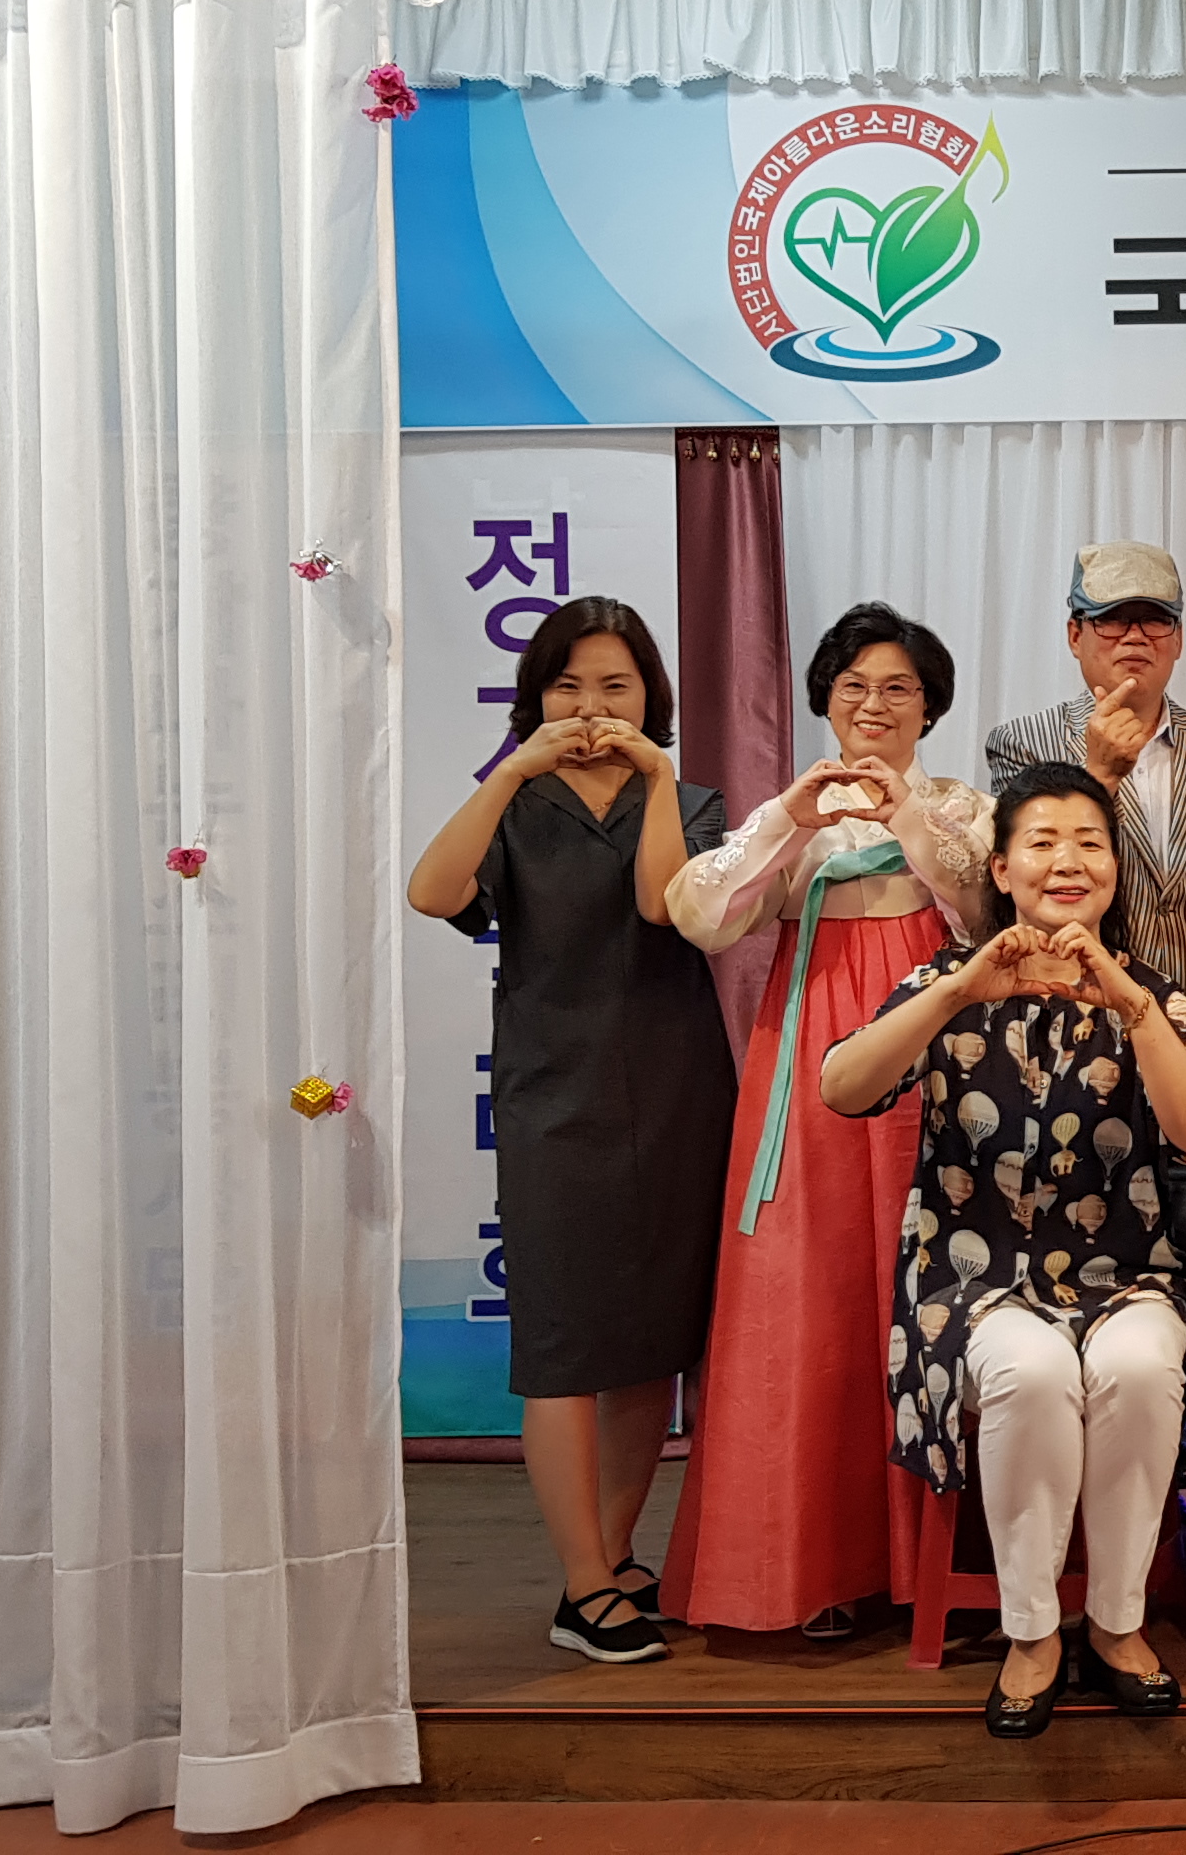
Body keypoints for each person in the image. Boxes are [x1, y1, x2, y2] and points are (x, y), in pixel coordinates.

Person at [821, 762, 1186, 1740]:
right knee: (1032, 1371)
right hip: (972, 1278)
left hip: (1124, 1272)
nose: (1068, 861)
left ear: (1115, 871)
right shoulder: (947, 983)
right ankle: (1034, 1631)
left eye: (1089, 842)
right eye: (1042, 842)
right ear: (1002, 869)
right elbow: (843, 1087)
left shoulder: (1150, 993)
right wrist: (959, 991)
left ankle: (1119, 1623)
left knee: (1140, 1367)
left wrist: (1130, 1007)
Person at [405, 598, 735, 1665]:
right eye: (569, 685)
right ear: (536, 696)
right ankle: (582, 1583)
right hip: (554, 1099)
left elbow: (663, 904)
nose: (592, 707)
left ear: (651, 698)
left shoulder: (693, 802)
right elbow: (431, 893)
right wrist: (508, 770)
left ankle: (613, 1557)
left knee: (647, 1346)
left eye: (616, 686)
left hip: (679, 1094)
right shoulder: (515, 803)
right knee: (559, 1350)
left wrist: (653, 781)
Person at [662, 604, 992, 1639]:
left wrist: (907, 819)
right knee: (807, 1297)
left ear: (930, 705)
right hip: (806, 1058)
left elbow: (985, 909)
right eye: (854, 687)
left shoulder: (965, 808)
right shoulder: (791, 814)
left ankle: (940, 1568)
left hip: (933, 1052)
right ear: (825, 700)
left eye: (898, 688)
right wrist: (789, 821)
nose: (874, 705)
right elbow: (700, 913)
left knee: (928, 1290)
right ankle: (817, 1569)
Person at [986, 541, 1186, 992]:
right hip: (1083, 1002)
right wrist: (1099, 776)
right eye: (1113, 619)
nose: (1135, 636)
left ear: (1178, 639)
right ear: (1075, 635)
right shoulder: (1023, 742)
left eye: (1155, 620)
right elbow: (1020, 892)